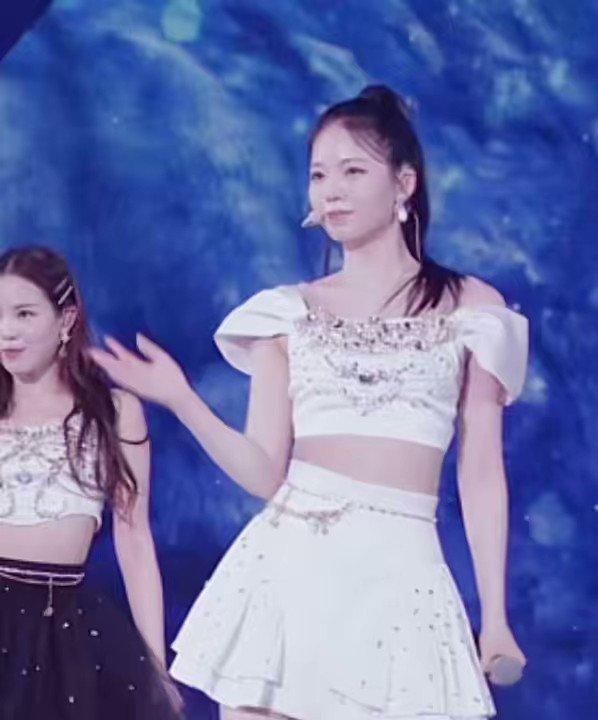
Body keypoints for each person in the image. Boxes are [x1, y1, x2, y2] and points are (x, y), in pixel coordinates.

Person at [91, 85, 529, 720]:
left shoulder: (473, 309)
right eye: (319, 175)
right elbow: (264, 471)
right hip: (289, 568)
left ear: (404, 183)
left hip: (400, 581)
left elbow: (482, 470)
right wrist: (181, 398)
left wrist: (495, 617)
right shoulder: (286, 312)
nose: (332, 191)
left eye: (353, 171)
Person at [0, 246, 183, 719]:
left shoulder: (114, 412)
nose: (6, 331)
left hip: (62, 628)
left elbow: (134, 538)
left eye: (23, 313)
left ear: (65, 320)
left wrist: (155, 665)